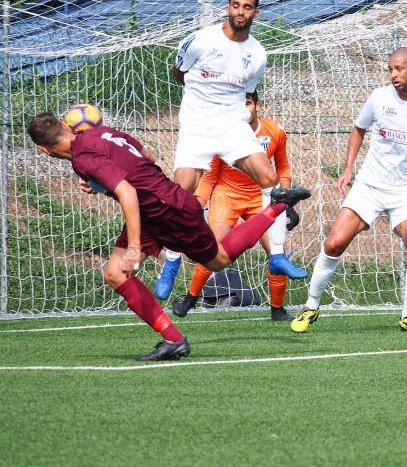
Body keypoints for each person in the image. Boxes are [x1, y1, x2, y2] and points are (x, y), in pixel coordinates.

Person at [27, 112, 309, 361]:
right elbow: (147, 158)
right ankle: (173, 340)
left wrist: (134, 247)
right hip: (152, 211)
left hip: (169, 209)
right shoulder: (102, 133)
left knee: (219, 261)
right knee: (116, 274)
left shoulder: (83, 158)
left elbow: (128, 192)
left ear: (43, 149)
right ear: (66, 127)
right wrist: (100, 184)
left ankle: (277, 207)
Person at [155, 0, 305, 301]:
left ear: (255, 12)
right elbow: (179, 72)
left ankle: (276, 254)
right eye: (236, 5)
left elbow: (245, 91)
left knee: (269, 179)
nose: (240, 11)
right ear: (228, 8)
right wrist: (201, 99)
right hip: (197, 124)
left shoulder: (257, 54)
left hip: (232, 125)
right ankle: (170, 263)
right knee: (182, 192)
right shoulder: (201, 40)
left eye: (247, 7)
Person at [291, 47, 407, 334]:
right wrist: (347, 169)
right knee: (333, 244)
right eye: (390, 69)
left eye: (399, 69)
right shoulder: (379, 98)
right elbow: (358, 129)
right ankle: (311, 306)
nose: (393, 74)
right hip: (370, 185)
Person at [172, 91, 300, 321]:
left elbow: (282, 167)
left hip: (261, 196)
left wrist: (285, 202)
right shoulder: (224, 133)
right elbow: (209, 177)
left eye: (248, 103)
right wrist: (197, 205)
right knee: (214, 248)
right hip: (227, 193)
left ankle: (277, 309)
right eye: (239, 104)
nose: (243, 108)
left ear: (258, 106)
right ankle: (190, 299)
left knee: (276, 251)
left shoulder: (275, 131)